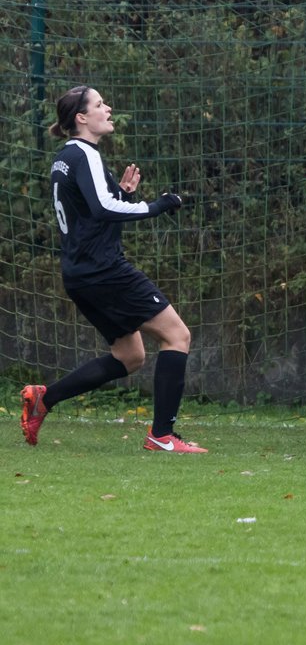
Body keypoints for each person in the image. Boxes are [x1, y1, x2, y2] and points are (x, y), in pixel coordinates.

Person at [20, 86, 205, 453]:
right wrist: (157, 205)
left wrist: (123, 195)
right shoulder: (84, 153)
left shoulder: (66, 157)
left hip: (80, 274)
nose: (108, 108)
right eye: (100, 104)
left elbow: (91, 211)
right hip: (105, 271)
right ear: (81, 118)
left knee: (130, 356)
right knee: (177, 336)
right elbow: (103, 210)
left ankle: (44, 399)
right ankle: (162, 436)